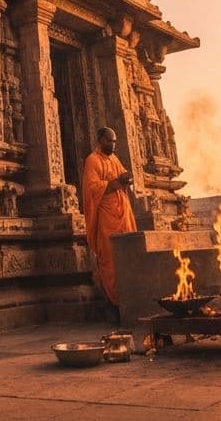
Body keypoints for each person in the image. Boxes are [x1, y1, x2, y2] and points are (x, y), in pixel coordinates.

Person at [81, 126, 137, 310]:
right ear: (101, 140)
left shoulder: (114, 159)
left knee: (128, 254)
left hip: (123, 213)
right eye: (110, 141)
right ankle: (113, 303)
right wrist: (113, 184)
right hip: (107, 216)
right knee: (109, 258)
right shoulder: (93, 160)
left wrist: (126, 178)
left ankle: (129, 299)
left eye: (115, 141)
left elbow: (122, 176)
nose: (113, 144)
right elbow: (91, 188)